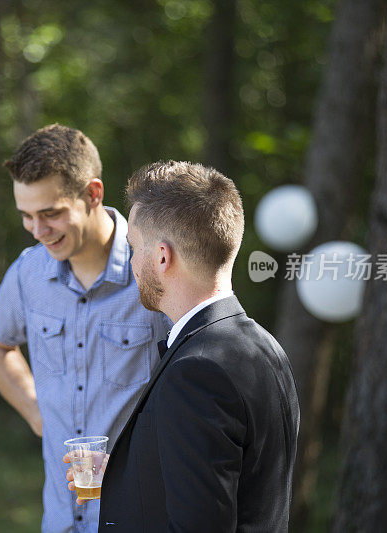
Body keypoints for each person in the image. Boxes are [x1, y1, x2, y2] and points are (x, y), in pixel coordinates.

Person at [90, 160, 300, 531]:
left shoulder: (198, 370)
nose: (132, 265)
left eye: (134, 249)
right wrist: (131, 471)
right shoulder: (264, 347)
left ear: (162, 256)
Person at [0, 124, 170, 532]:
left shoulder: (155, 271)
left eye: (51, 213)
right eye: (27, 216)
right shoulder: (27, 274)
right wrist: (37, 413)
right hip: (61, 520)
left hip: (139, 519)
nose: (37, 230)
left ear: (93, 194)